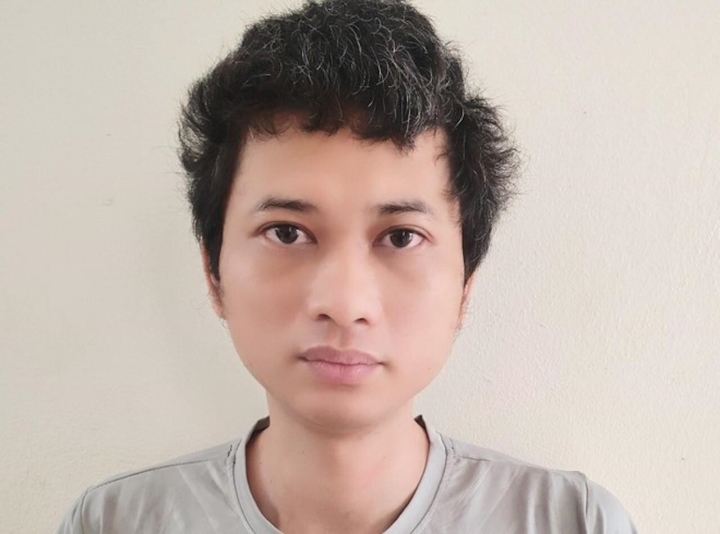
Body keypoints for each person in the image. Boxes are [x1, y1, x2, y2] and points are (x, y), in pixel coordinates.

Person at [57, 0, 638, 532]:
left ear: (466, 284)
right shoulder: (114, 523)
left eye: (401, 237)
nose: (344, 303)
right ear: (214, 272)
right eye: (287, 232)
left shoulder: (573, 522)